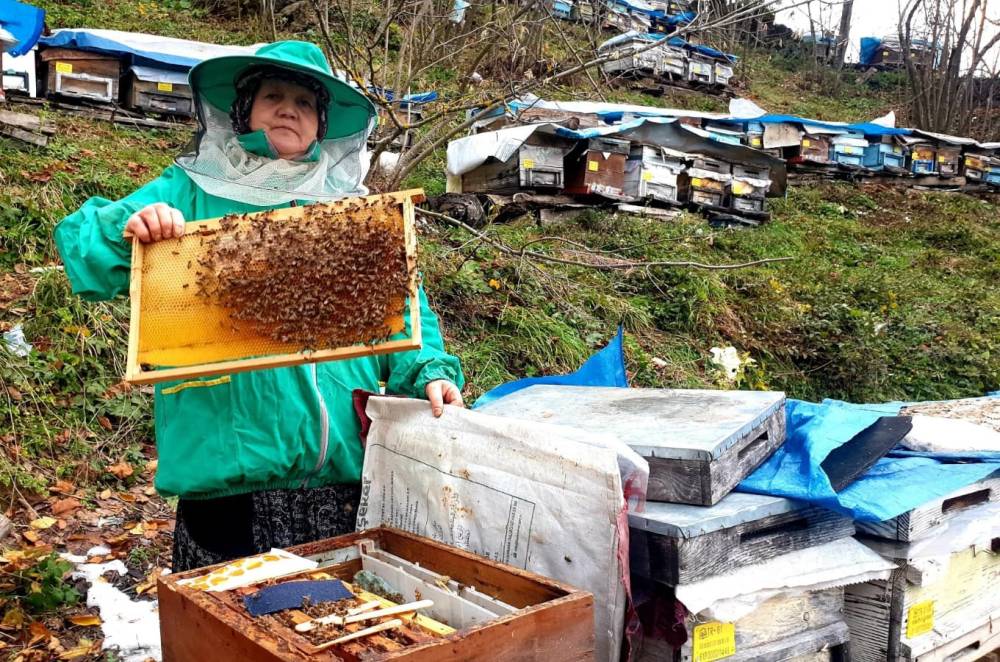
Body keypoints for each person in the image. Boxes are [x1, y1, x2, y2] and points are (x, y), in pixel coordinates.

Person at [53, 41, 465, 572]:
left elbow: (407, 314)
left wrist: (428, 371)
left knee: (328, 627)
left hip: (340, 473)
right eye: (273, 95)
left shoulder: (354, 212)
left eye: (304, 101)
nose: (288, 108)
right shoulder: (188, 189)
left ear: (322, 124)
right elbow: (83, 248)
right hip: (228, 472)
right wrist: (131, 228)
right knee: (228, 631)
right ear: (243, 109)